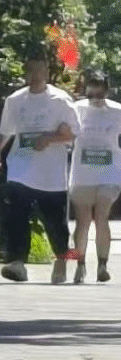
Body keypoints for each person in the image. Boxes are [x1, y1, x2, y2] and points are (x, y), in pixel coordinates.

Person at [0, 51, 80, 284]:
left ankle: (61, 258)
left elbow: (73, 133)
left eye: (40, 69)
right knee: (17, 213)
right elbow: (7, 131)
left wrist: (50, 138)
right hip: (21, 167)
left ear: (47, 72)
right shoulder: (15, 100)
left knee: (55, 221)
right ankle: (17, 262)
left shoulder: (60, 100)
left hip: (50, 173)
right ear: (26, 73)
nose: (35, 75)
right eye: (31, 70)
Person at [69, 69, 121, 283]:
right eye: (92, 93)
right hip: (83, 172)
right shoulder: (76, 109)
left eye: (101, 93)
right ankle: (80, 264)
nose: (96, 98)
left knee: (101, 215)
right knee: (83, 220)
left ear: (107, 91)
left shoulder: (117, 110)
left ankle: (102, 265)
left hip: (109, 171)